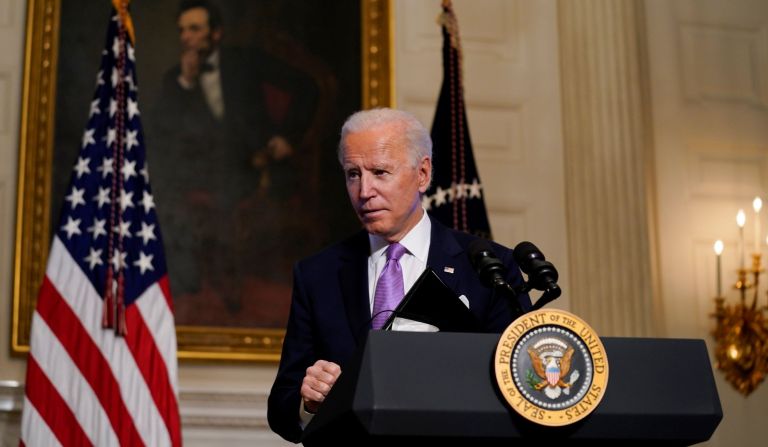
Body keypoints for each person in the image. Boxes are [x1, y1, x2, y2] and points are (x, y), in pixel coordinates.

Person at [267, 108, 532, 443]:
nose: (364, 191)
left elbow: (521, 389)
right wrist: (308, 402)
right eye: (352, 174)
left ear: (422, 174)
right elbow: (281, 410)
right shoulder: (317, 274)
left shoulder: (489, 268)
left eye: (380, 172)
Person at [148, 0, 318, 309]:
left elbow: (307, 87)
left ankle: (235, 289)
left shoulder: (245, 61)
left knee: (229, 200)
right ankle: (186, 285)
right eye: (182, 30)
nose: (186, 37)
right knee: (163, 194)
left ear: (216, 34)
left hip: (255, 166)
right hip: (201, 172)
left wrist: (287, 137)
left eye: (195, 29)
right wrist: (186, 84)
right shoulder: (176, 79)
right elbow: (162, 135)